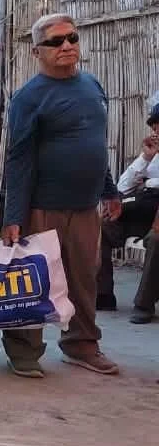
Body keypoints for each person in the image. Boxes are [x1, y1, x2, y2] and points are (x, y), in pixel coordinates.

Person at [1, 13, 121, 377]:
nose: (67, 46)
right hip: (43, 207)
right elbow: (18, 159)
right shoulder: (28, 98)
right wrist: (14, 216)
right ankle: (23, 351)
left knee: (85, 281)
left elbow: (96, 145)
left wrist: (109, 190)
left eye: (72, 38)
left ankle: (81, 345)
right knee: (31, 281)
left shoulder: (92, 86)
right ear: (37, 51)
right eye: (55, 42)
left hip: (85, 207)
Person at [98, 93, 159, 323]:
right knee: (104, 225)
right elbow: (121, 186)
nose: (156, 131)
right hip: (145, 206)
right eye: (154, 126)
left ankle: (144, 304)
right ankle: (103, 294)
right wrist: (145, 157)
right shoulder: (151, 156)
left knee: (156, 239)